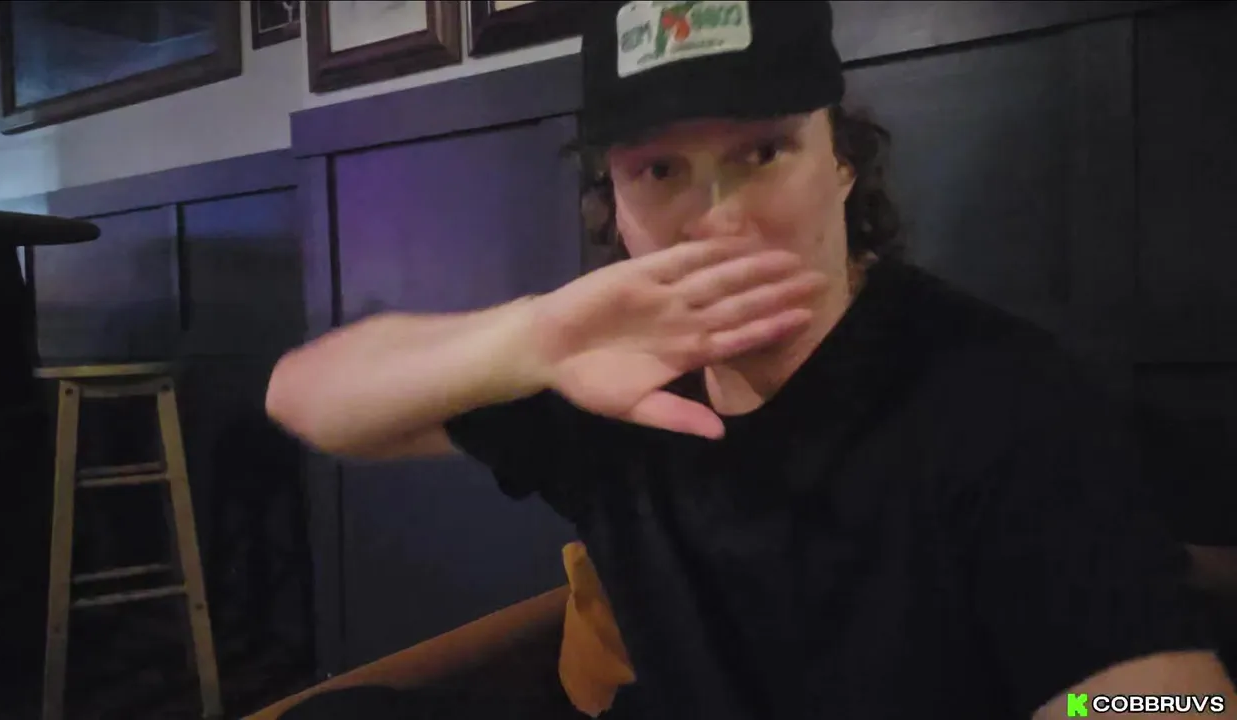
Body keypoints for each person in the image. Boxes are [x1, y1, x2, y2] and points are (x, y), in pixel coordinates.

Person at [266, 2, 1235, 717]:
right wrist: (535, 340)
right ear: (612, 201)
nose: (719, 221)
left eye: (762, 154)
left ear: (841, 161)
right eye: (660, 170)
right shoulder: (598, 371)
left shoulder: (1004, 396)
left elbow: (1170, 699)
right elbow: (307, 398)